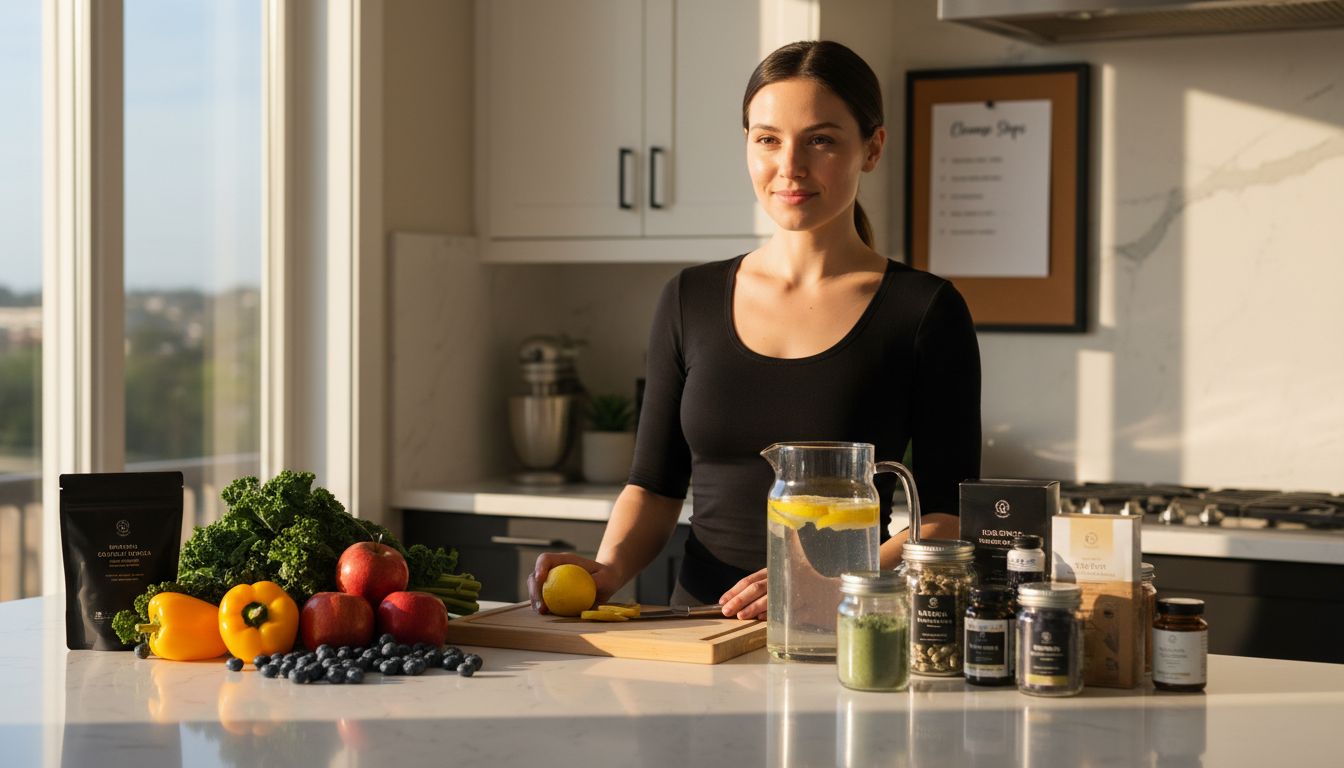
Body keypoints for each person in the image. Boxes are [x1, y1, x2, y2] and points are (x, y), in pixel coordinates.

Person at [528, 40, 980, 620]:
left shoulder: (924, 310)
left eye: (820, 140)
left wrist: (830, 580)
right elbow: (654, 487)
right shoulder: (689, 298)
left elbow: (946, 519)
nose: (789, 166)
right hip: (697, 629)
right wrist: (609, 568)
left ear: (872, 148)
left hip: (845, 631)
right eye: (768, 139)